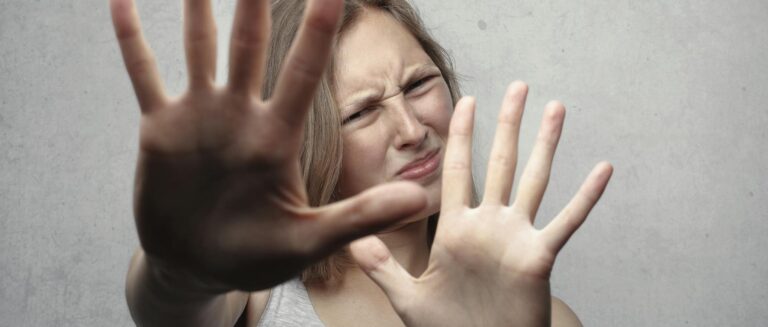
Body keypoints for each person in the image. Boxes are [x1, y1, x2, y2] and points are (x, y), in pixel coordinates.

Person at [110, 0, 614, 325]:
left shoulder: (546, 319)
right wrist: (183, 262)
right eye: (361, 112)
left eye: (418, 84)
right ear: (309, 143)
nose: (412, 131)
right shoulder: (258, 295)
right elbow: (169, 309)